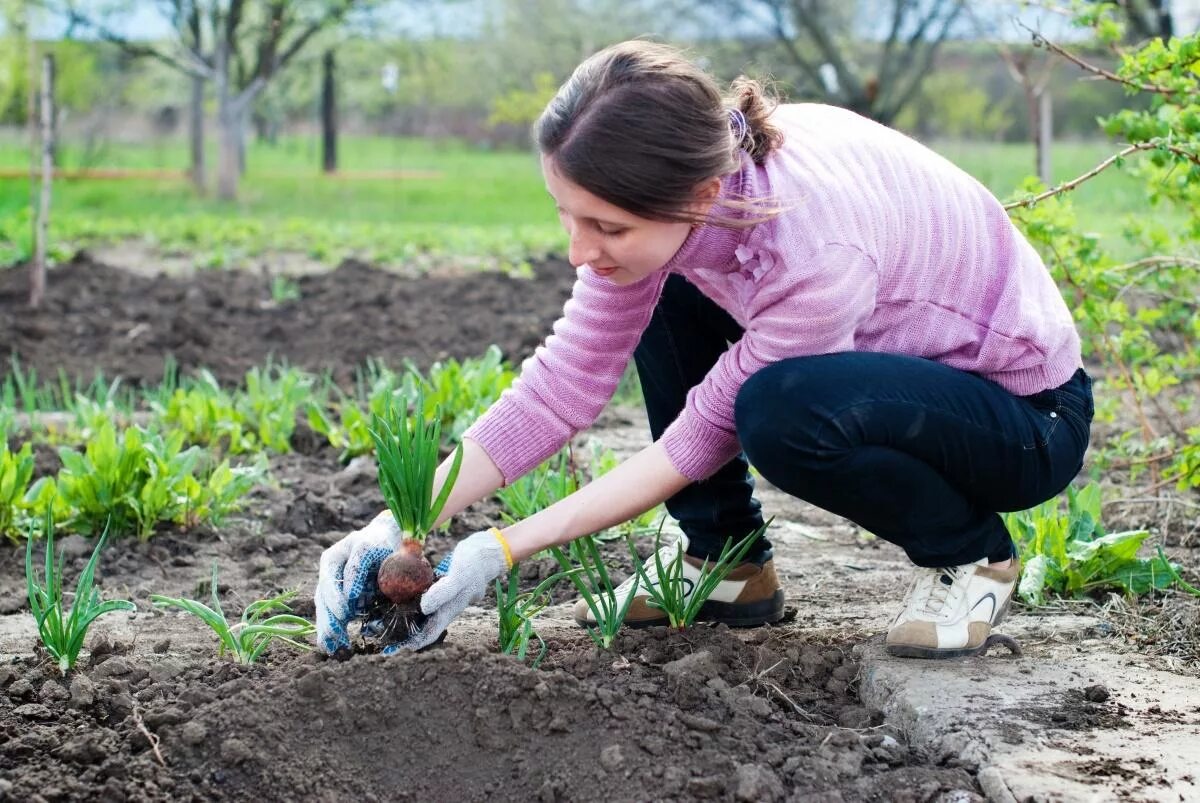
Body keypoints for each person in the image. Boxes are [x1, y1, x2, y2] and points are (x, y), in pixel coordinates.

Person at [315, 40, 1092, 660]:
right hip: (900, 378)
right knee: (665, 281)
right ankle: (729, 565)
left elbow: (696, 439)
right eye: (567, 215)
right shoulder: (691, 187)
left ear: (700, 197)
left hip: (1022, 418)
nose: (580, 251)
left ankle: (971, 554)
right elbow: (561, 386)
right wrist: (401, 521)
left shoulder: (813, 252)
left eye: (606, 226)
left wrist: (501, 547)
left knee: (780, 412)